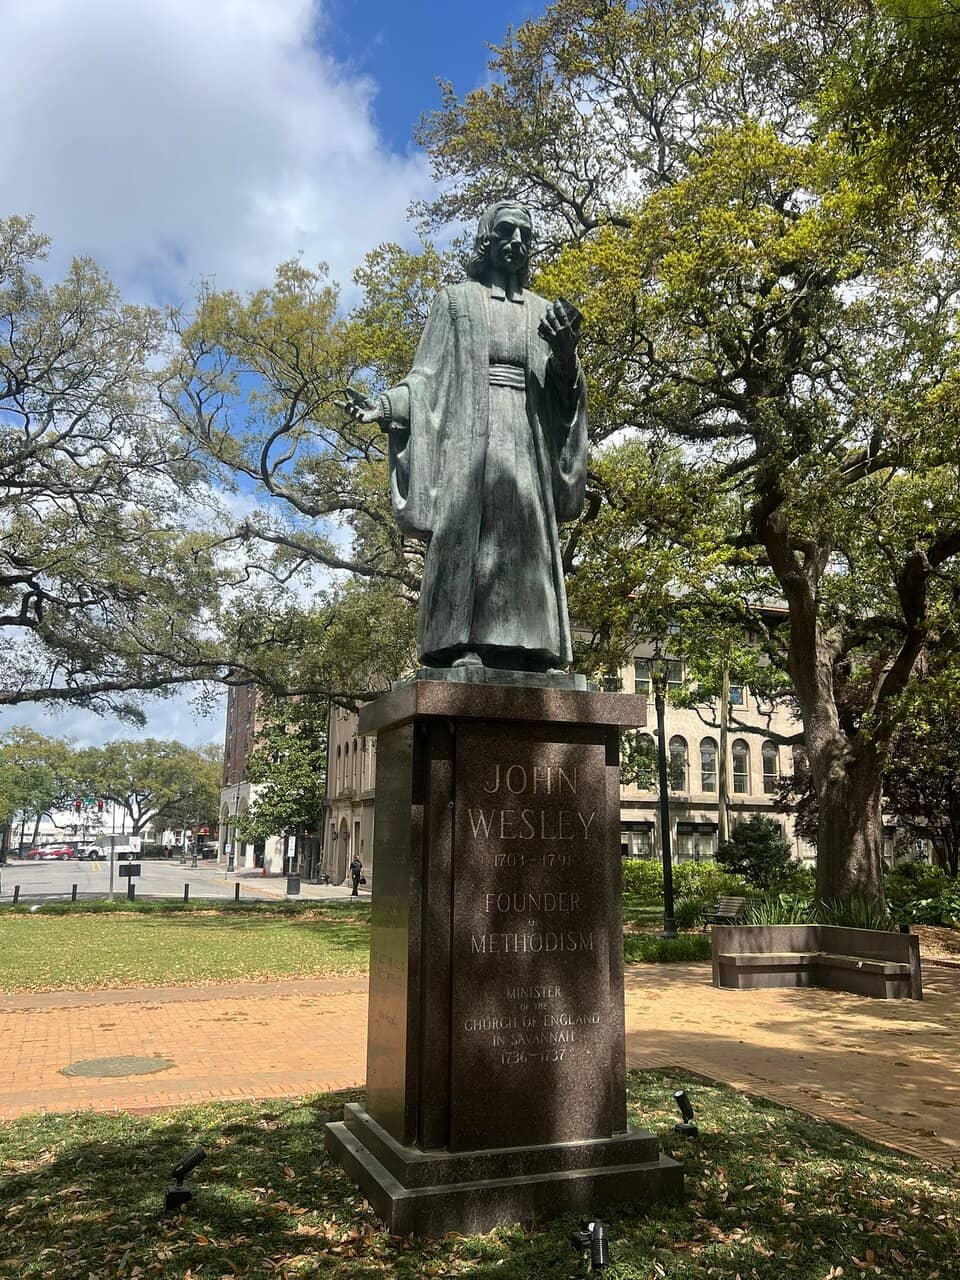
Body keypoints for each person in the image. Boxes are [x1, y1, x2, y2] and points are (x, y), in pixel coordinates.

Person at [341, 199, 587, 673]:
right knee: (468, 538)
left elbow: (565, 396)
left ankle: (533, 646)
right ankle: (461, 641)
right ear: (487, 240)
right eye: (506, 232)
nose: (516, 242)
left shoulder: (542, 311)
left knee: (526, 535)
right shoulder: (455, 302)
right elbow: (426, 378)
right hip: (469, 441)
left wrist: (565, 353)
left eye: (525, 236)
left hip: (528, 443)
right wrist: (385, 406)